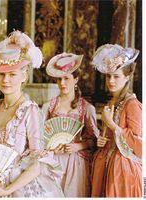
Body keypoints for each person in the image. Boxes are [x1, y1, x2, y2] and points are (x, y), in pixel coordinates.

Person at [0, 30, 64, 197]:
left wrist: (7, 190)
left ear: (24, 76)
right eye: (1, 74)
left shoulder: (29, 110)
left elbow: (37, 164)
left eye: (12, 74)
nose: (5, 80)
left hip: (18, 188)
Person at [42, 52, 99, 197]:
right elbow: (40, 136)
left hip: (76, 163)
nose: (62, 83)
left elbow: (94, 140)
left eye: (66, 78)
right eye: (59, 79)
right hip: (53, 161)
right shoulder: (48, 107)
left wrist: (77, 146)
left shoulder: (87, 109)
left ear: (76, 79)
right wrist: (51, 148)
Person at [91, 44, 142, 197]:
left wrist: (112, 125)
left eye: (116, 76)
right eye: (108, 76)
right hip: (106, 165)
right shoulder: (111, 103)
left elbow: (140, 145)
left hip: (123, 170)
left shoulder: (132, 104)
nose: (111, 81)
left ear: (127, 77)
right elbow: (110, 138)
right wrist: (101, 140)